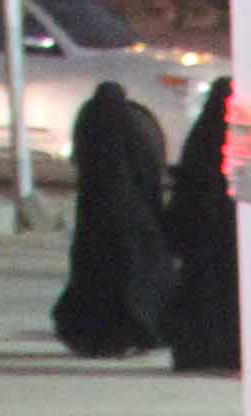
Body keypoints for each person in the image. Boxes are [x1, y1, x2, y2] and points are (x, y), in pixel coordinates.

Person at [56, 73, 174, 356]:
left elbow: (82, 162)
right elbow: (150, 169)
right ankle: (136, 331)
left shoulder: (90, 122)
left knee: (98, 282)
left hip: (95, 221)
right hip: (134, 218)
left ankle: (98, 337)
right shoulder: (137, 125)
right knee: (134, 279)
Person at [164, 79, 243, 371]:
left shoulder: (199, 139)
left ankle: (198, 353)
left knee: (200, 295)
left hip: (201, 238)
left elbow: (185, 190)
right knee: (231, 296)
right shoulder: (243, 142)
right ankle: (229, 352)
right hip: (233, 237)